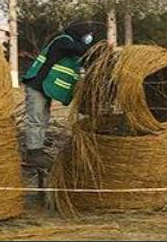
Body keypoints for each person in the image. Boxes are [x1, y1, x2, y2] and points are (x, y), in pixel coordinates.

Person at [21, 21, 107, 168]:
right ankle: (33, 154)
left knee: (43, 119)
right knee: (36, 118)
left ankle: (37, 149)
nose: (89, 38)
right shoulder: (62, 42)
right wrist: (102, 48)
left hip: (44, 86)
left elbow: (85, 57)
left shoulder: (72, 48)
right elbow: (83, 50)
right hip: (37, 84)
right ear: (79, 33)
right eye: (88, 35)